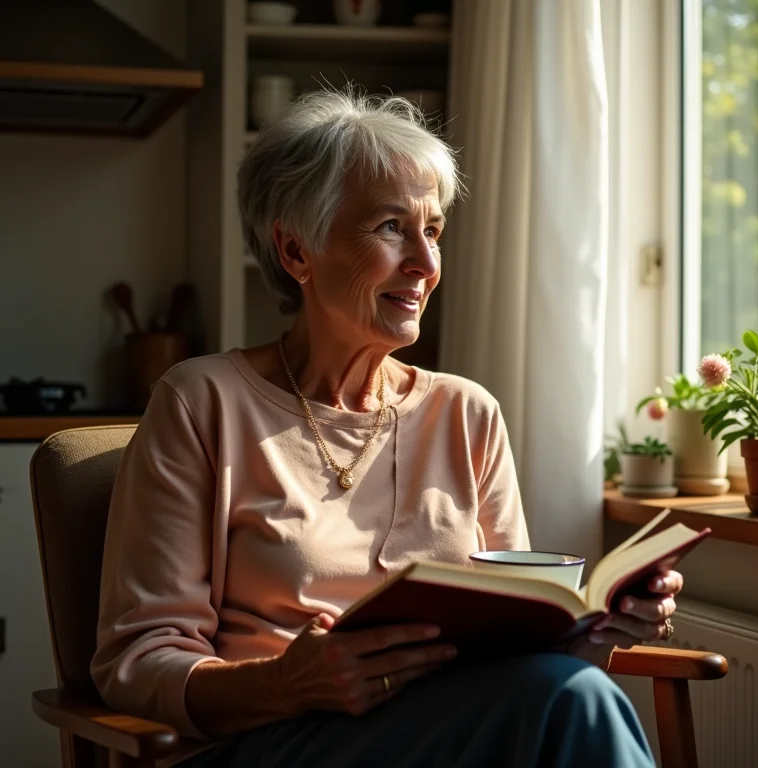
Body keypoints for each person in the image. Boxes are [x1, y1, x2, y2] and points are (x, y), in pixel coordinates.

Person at [92, 90, 677, 767]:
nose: (426, 266)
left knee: (570, 690)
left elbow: (519, 654)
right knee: (572, 703)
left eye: (433, 231)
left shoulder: (466, 414)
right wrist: (285, 682)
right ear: (295, 249)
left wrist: (600, 631)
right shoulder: (202, 402)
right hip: (268, 742)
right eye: (392, 228)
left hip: (451, 736)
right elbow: (137, 661)